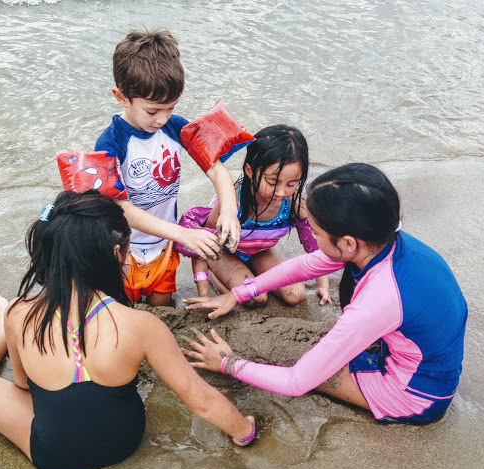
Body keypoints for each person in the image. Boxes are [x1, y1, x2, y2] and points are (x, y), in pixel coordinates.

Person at [0, 192, 256, 469]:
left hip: (52, 454)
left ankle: (0, 329)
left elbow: (22, 386)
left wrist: (13, 323)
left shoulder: (22, 314)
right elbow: (201, 401)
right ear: (116, 254)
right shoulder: (142, 325)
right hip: (125, 441)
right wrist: (245, 431)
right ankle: (4, 329)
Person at [183, 163, 467, 425]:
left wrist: (226, 363)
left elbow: (296, 382)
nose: (313, 239)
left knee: (296, 361)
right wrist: (240, 293)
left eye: (316, 233)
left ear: (348, 243)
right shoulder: (382, 239)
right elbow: (306, 265)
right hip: (425, 360)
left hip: (415, 396)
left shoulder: (378, 300)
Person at [95, 28, 240, 306]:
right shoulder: (111, 142)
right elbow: (121, 209)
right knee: (123, 311)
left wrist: (229, 211)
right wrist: (183, 234)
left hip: (164, 246)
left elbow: (217, 170)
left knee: (162, 306)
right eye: (152, 111)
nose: (162, 119)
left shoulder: (176, 128)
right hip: (123, 251)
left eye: (171, 108)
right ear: (121, 96)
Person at [180, 125, 331, 307]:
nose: (281, 192)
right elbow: (204, 245)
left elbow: (315, 247)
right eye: (272, 182)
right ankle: (216, 275)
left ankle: (249, 270)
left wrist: (323, 286)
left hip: (259, 252)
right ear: (250, 171)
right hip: (223, 252)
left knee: (296, 295)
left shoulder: (294, 204)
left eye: (292, 184)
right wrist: (204, 293)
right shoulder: (231, 205)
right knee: (256, 299)